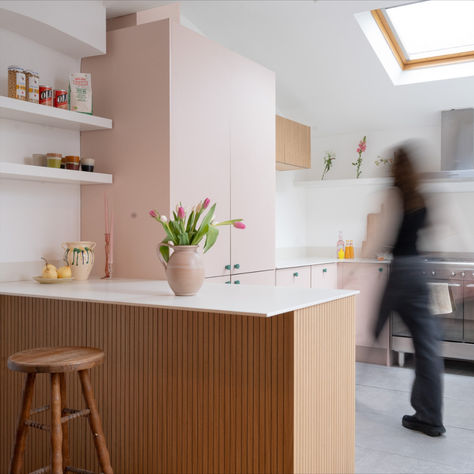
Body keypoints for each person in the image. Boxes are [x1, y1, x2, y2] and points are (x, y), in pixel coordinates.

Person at [374, 145, 445, 437]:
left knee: (372, 327)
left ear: (394, 166)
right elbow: (434, 233)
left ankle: (345, 382)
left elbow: (382, 233)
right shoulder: (421, 196)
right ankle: (429, 416)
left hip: (401, 271)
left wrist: (360, 263)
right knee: (428, 348)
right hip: (420, 271)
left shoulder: (394, 193)